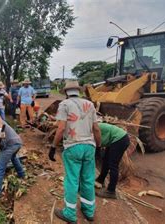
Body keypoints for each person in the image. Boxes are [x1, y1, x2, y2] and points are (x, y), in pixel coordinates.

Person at [49, 81, 101, 224]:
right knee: (88, 179)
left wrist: (53, 146)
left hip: (73, 146)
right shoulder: (90, 104)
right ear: (78, 91)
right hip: (89, 146)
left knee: (72, 180)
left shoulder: (64, 105)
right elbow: (96, 128)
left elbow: (60, 129)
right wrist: (99, 145)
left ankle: (70, 213)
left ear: (66, 92)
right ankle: (89, 211)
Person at [95, 123, 130, 199]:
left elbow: (96, 142)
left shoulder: (90, 127)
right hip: (115, 139)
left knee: (113, 164)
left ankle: (111, 191)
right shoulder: (87, 126)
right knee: (106, 160)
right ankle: (100, 180)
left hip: (120, 139)